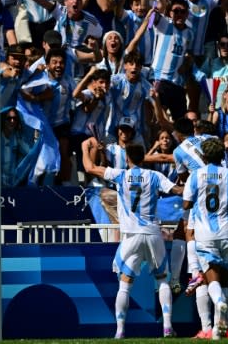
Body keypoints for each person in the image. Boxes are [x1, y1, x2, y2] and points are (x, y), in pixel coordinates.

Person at [82, 142, 183, 339]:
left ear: (127, 158)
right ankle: (167, 327)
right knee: (162, 279)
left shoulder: (121, 175)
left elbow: (89, 168)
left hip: (131, 236)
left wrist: (85, 149)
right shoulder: (155, 176)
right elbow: (176, 191)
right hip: (153, 233)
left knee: (125, 283)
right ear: (143, 158)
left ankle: (120, 330)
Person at [182, 138, 228, 339]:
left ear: (203, 156)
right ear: (222, 156)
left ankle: (217, 303)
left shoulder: (195, 175)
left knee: (212, 281)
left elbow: (185, 204)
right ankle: (221, 330)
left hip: (206, 235)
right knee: (225, 281)